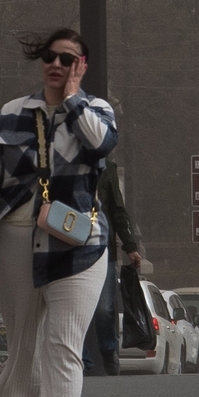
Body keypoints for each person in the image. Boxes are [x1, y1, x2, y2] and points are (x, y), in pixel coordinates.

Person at [0, 28, 117, 397]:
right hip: (15, 240)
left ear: (82, 66)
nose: (57, 65)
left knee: (64, 343)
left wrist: (72, 99)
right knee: (25, 341)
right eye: (51, 57)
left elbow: (100, 146)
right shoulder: (12, 113)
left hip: (79, 243)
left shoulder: (97, 110)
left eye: (68, 59)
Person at [82, 158, 143, 376]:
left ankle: (109, 350)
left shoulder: (106, 169)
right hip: (70, 247)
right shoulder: (60, 162)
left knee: (104, 308)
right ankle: (82, 360)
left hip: (102, 248)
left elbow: (118, 210)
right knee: (74, 306)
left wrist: (130, 246)